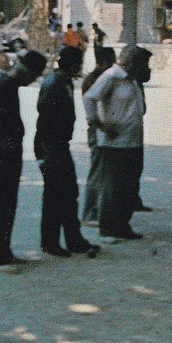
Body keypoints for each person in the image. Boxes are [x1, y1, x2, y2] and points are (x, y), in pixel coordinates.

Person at [0, 50, 48, 268]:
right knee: (3, 203)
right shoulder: (5, 86)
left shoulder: (10, 85)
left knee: (8, 203)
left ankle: (4, 251)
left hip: (9, 150)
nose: (34, 80)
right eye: (34, 75)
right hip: (3, 153)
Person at [33, 45, 99, 258]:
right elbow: (43, 122)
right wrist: (43, 154)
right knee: (55, 196)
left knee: (69, 194)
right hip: (53, 147)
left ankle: (73, 239)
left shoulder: (63, 82)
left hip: (60, 145)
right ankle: (51, 242)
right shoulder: (55, 84)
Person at [82, 44, 152, 241]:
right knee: (113, 186)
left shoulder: (133, 80)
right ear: (130, 62)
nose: (145, 67)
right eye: (143, 63)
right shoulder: (111, 76)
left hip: (133, 140)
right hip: (114, 142)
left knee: (129, 185)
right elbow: (90, 98)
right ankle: (107, 227)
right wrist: (98, 123)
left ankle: (122, 224)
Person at [79, 45, 117, 223]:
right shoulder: (96, 79)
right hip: (97, 129)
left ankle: (98, 209)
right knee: (97, 171)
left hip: (101, 128)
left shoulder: (99, 78)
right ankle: (90, 211)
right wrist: (98, 123)